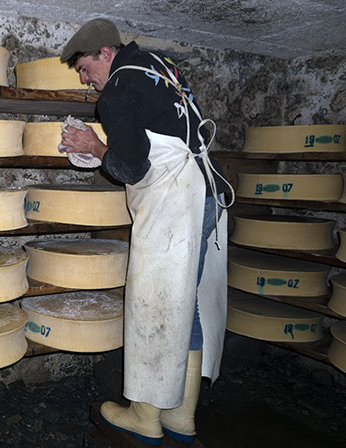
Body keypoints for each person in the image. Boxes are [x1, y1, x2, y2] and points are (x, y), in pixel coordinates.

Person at [59, 18, 233, 445]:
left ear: (104, 53)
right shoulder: (161, 65)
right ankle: (180, 417)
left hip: (174, 205)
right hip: (204, 194)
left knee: (156, 303)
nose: (85, 79)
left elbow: (130, 168)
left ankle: (145, 416)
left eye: (84, 68)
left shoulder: (117, 90)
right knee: (185, 305)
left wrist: (94, 148)